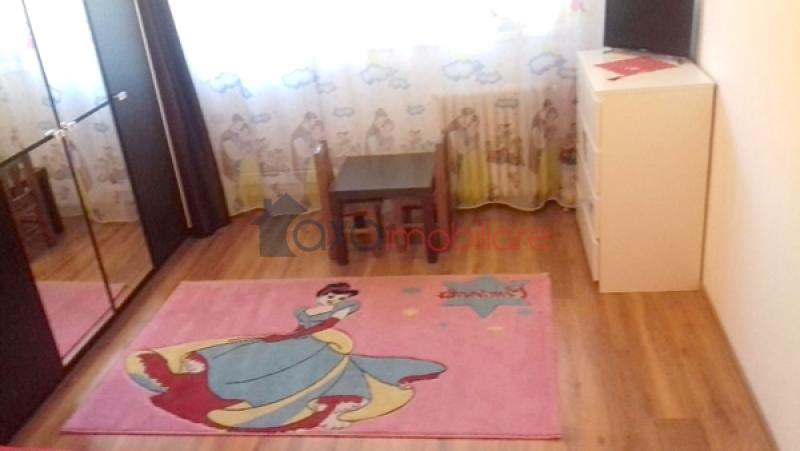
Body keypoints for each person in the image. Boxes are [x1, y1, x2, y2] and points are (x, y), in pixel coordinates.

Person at [125, 282, 446, 432]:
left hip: (316, 342)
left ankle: (315, 404)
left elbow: (332, 321)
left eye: (337, 297)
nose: (332, 299)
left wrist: (328, 315)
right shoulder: (308, 309)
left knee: (312, 367)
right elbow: (306, 319)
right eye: (329, 295)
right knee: (254, 353)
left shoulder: (341, 311)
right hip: (292, 340)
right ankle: (201, 373)